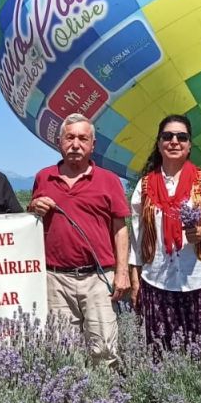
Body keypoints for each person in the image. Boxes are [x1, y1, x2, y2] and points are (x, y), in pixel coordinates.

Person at [28, 113, 130, 365]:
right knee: (64, 350)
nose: (75, 144)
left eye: (83, 138)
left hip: (98, 277)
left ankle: (105, 399)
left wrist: (122, 271)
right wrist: (33, 207)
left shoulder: (109, 180)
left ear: (92, 145)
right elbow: (32, 222)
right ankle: (70, 402)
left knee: (104, 348)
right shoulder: (43, 177)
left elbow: (120, 228)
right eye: (69, 137)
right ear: (59, 142)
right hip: (55, 279)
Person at [127, 114, 201, 350]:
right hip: (158, 281)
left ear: (189, 144)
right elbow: (138, 236)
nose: (174, 141)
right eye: (168, 136)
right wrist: (135, 279)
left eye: (181, 137)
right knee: (163, 352)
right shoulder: (144, 187)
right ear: (159, 143)